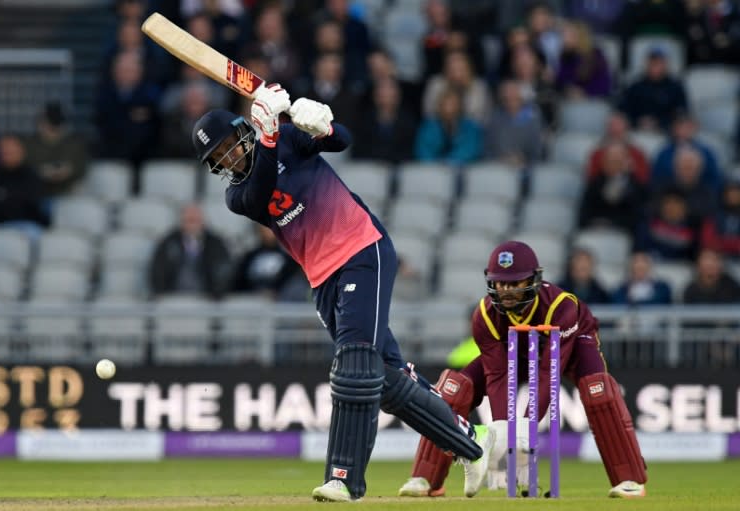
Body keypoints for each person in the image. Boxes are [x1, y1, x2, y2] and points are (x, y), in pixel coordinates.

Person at [189, 84, 490, 502]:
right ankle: (472, 443)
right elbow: (260, 191)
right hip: (322, 277)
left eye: (227, 148)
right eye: (217, 158)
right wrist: (270, 135)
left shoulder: (289, 139)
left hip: (362, 248)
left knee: (354, 363)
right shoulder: (236, 196)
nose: (227, 158)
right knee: (382, 378)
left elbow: (343, 140)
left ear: (242, 133)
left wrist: (321, 124)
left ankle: (344, 477)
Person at [398, 240, 647, 499]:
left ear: (534, 280)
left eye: (514, 283)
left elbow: (547, 374)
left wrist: (525, 433)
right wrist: (503, 434)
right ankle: (426, 479)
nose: (506, 291)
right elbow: (497, 377)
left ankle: (629, 479)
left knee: (598, 391)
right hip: (511, 350)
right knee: (453, 390)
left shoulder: (561, 307)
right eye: (500, 283)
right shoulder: (484, 316)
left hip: (570, 345)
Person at [148, 203, 232, 300]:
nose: (192, 223)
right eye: (189, 220)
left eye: (195, 220)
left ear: (203, 221)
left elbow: (223, 270)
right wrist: (161, 294)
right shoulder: (168, 243)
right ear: (182, 221)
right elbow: (157, 270)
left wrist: (217, 293)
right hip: (174, 299)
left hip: (207, 299)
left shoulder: (216, 243)